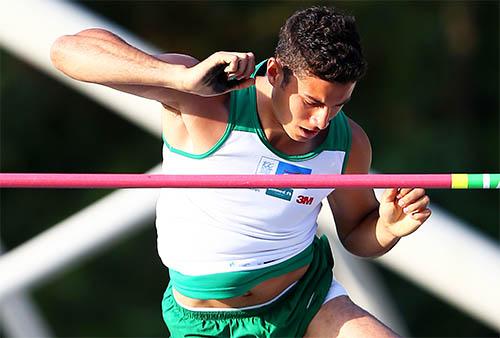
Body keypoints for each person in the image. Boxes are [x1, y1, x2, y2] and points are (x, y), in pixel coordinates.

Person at [50, 6, 431, 338]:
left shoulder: (348, 142)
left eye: (338, 105)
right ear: (278, 72)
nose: (322, 119)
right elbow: (67, 50)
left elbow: (356, 234)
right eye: (312, 101)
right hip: (204, 322)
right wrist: (179, 80)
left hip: (306, 302)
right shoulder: (207, 100)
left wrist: (386, 228)